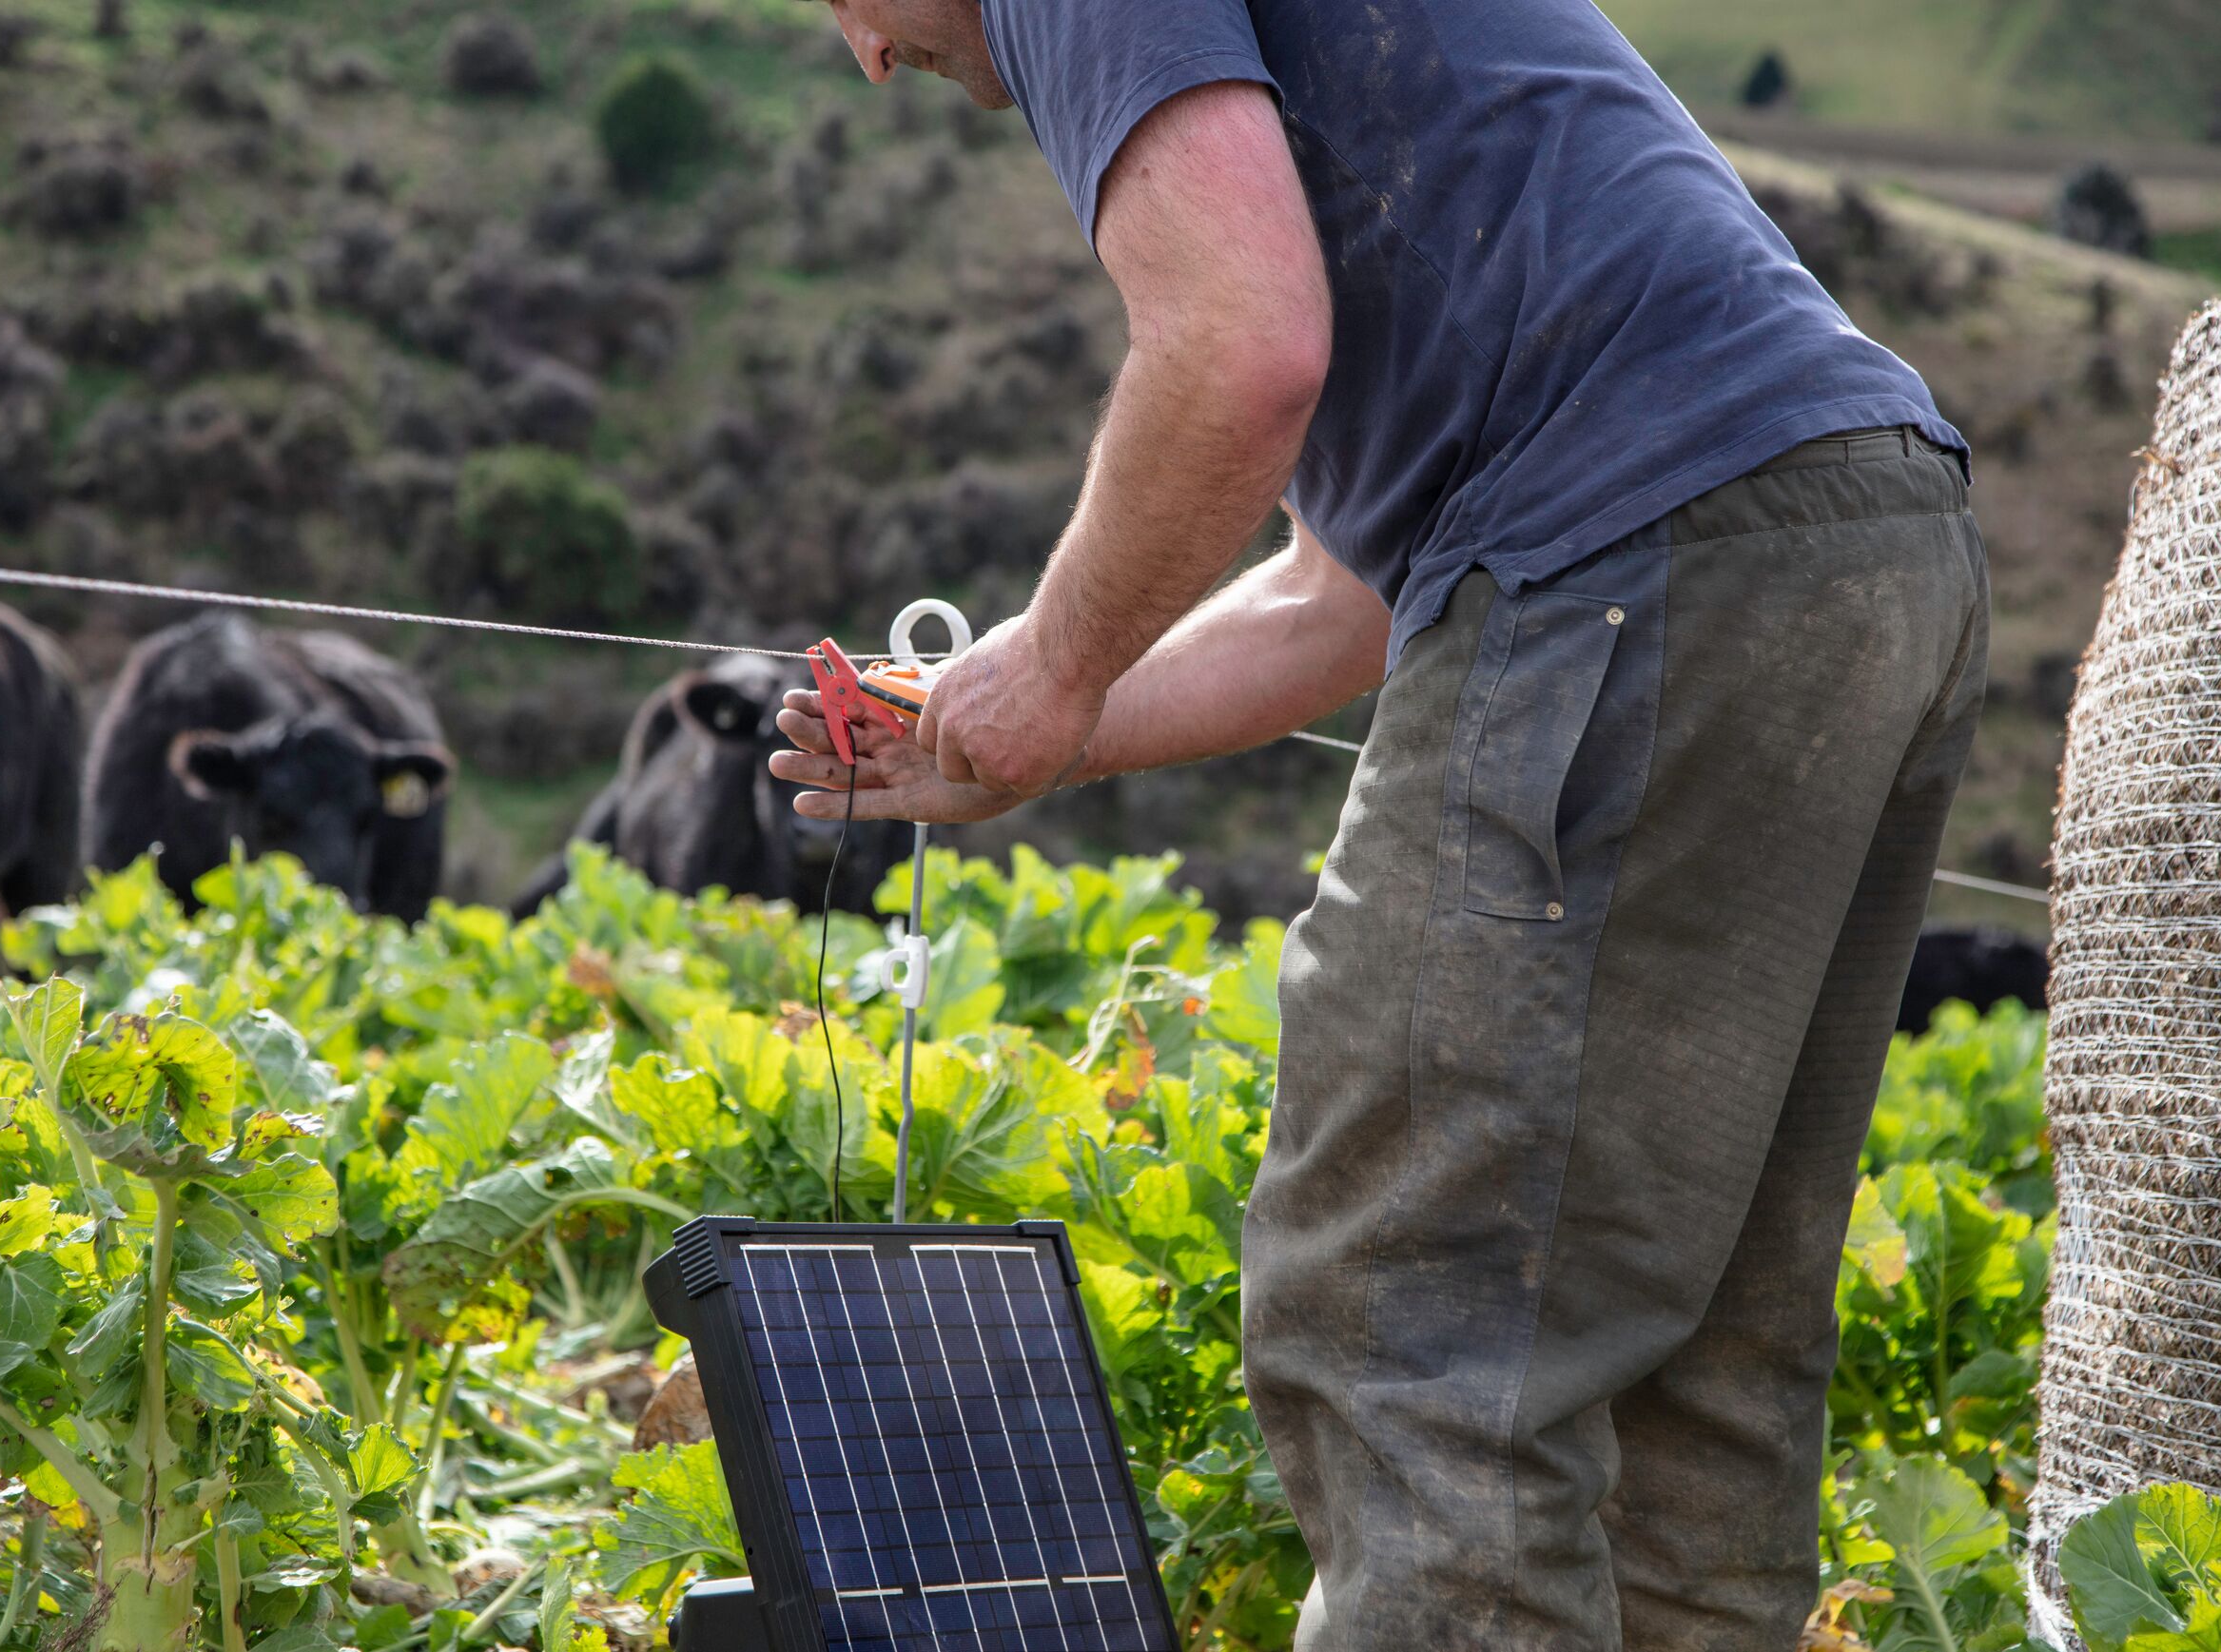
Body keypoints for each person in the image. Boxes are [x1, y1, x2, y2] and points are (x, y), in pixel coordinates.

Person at [768, 2, 1986, 1647]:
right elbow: (1331, 603)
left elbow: (1239, 348)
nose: (865, 52)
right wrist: (1032, 727)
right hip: (1854, 537)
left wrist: (1052, 663)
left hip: (1627, 562)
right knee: (1687, 1362)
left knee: (1417, 1319)